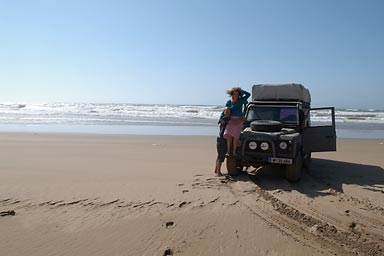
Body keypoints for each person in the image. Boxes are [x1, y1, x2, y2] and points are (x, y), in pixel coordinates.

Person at [224, 87, 251, 156]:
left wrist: (241, 90)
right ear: (232, 94)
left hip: (239, 120)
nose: (235, 96)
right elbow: (225, 111)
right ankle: (228, 151)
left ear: (238, 95)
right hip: (231, 120)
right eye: (234, 94)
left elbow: (248, 94)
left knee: (236, 137)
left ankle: (234, 151)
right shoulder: (229, 102)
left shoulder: (241, 100)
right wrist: (223, 118)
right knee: (229, 137)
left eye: (237, 94)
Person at [215, 107, 230, 176]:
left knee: (219, 156)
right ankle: (218, 172)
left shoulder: (223, 119)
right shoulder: (225, 119)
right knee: (221, 156)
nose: (227, 113)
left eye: (228, 112)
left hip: (221, 139)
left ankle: (216, 170)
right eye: (226, 112)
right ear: (223, 112)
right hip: (222, 139)